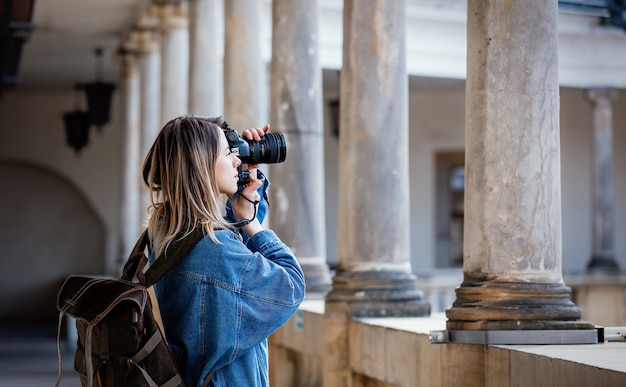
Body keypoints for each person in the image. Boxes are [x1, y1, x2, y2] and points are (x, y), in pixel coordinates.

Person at [141, 115, 305, 386]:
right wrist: (251, 222)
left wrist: (245, 199)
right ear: (202, 164)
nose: (236, 160)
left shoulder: (168, 230)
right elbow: (290, 286)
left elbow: (234, 265)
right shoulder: (214, 250)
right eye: (228, 153)